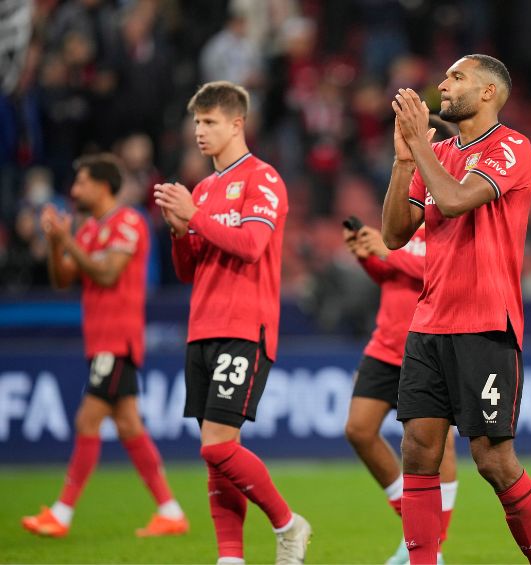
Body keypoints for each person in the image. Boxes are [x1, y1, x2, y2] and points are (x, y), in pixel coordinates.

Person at [383, 54, 531, 564]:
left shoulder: (512, 147)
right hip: (429, 321)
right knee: (417, 448)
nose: (442, 85)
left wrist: (422, 150)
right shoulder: (434, 153)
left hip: (485, 322)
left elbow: (455, 199)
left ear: (487, 92)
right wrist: (405, 160)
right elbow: (393, 235)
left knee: (492, 459)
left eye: (455, 77)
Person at [153, 81, 310, 565]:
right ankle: (230, 557)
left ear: (237, 124)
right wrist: (181, 231)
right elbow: (187, 269)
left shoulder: (262, 179)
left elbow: (252, 247)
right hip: (201, 327)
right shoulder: (202, 188)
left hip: (245, 325)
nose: (199, 132)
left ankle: (288, 524)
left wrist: (195, 216)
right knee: (218, 451)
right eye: (197, 122)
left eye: (210, 122)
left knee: (216, 447)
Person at [23, 154, 188, 538]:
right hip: (100, 341)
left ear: (102, 185)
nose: (74, 190)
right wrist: (55, 244)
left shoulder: (129, 222)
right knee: (129, 424)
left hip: (118, 340)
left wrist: (68, 241)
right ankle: (170, 510)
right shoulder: (88, 230)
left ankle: (61, 513)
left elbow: (109, 273)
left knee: (87, 420)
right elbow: (64, 278)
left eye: (81, 182)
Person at [342, 221, 458, 564]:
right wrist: (368, 256)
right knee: (359, 430)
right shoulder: (403, 226)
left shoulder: (447, 224)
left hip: (429, 345)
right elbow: (390, 277)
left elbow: (441, 273)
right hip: (385, 346)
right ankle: (414, 523)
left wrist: (387, 250)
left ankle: (431, 546)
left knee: (439, 445)